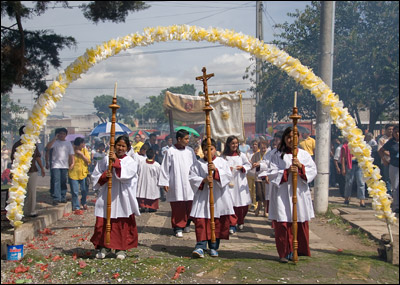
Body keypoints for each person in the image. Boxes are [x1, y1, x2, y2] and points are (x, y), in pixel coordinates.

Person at [266, 127, 317, 263]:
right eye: (288, 137)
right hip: (282, 193)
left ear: (299, 137)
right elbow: (271, 172)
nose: (291, 139)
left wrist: (301, 167)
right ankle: (284, 251)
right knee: (283, 222)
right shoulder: (277, 154)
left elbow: (313, 170)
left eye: (294, 136)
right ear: (284, 139)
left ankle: (299, 250)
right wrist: (286, 172)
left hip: (298, 193)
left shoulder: (304, 155)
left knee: (299, 220)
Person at [90, 135, 140, 260]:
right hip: (107, 193)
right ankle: (104, 246)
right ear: (114, 145)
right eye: (118, 145)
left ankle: (121, 248)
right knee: (104, 220)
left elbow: (126, 176)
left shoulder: (131, 161)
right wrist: (104, 176)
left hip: (122, 195)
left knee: (121, 222)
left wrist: (116, 163)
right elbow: (96, 174)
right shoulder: (105, 159)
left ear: (127, 148)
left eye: (123, 146)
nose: (120, 148)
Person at [189, 138, 234, 258]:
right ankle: (200, 246)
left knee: (216, 223)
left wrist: (216, 172)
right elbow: (192, 178)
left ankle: (214, 246)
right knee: (202, 222)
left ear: (215, 149)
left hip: (218, 197)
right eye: (205, 150)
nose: (208, 152)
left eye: (211, 149)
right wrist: (203, 180)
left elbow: (228, 176)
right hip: (203, 197)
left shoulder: (222, 162)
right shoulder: (198, 164)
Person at [158, 129, 197, 238]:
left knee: (190, 204)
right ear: (179, 139)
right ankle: (178, 227)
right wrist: (165, 182)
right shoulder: (171, 151)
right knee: (178, 205)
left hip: (189, 182)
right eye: (186, 139)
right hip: (176, 182)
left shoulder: (190, 151)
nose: (188, 141)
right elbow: (165, 167)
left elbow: (194, 166)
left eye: (188, 138)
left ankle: (187, 223)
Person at [11, 126, 46, 217]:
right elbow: (13, 160)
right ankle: (18, 212)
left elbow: (37, 157)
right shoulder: (17, 145)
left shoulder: (33, 144)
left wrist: (42, 168)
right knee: (20, 192)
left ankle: (31, 211)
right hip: (21, 172)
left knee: (31, 191)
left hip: (32, 170)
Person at [222, 135, 252, 234]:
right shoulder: (224, 156)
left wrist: (242, 167)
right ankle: (232, 224)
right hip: (229, 183)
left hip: (240, 181)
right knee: (231, 203)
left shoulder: (241, 155)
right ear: (228, 144)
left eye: (236, 143)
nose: (235, 145)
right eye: (232, 143)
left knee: (242, 203)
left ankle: (240, 220)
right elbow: (219, 166)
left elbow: (249, 165)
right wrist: (227, 169)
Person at [45, 128, 75, 205]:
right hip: (55, 165)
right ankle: (56, 198)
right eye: (60, 134)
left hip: (64, 165)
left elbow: (71, 154)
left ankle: (62, 196)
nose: (62, 135)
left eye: (63, 134)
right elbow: (48, 147)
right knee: (56, 181)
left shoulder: (68, 143)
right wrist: (55, 138)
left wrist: (72, 163)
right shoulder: (55, 142)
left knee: (63, 181)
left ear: (66, 135)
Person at [379, 125, 399, 213]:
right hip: (394, 165)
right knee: (395, 186)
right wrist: (384, 159)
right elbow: (381, 150)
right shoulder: (391, 142)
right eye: (395, 132)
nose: (397, 134)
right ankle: (396, 206)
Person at [341, 138, 366, 207]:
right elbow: (343, 157)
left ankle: (362, 200)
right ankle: (347, 198)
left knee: (361, 182)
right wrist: (343, 168)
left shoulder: (360, 145)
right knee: (349, 182)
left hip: (359, 165)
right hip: (349, 165)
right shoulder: (345, 146)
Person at [68, 137, 91, 211]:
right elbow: (69, 162)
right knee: (75, 191)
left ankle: (83, 202)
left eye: (83, 145)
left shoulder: (84, 150)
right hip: (73, 174)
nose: (83, 146)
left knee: (84, 190)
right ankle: (76, 206)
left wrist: (81, 154)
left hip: (83, 173)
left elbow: (88, 161)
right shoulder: (71, 150)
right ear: (77, 145)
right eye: (81, 145)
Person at [136, 148, 161, 213]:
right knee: (151, 193)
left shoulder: (141, 163)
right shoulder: (157, 165)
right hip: (152, 183)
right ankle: (151, 207)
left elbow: (137, 172)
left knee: (142, 192)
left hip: (142, 181)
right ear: (154, 155)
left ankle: (142, 206)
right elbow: (159, 175)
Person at [251, 140, 269, 217]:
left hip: (266, 177)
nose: (263, 150)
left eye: (264, 148)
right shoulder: (255, 155)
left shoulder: (269, 155)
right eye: (261, 148)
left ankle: (265, 209)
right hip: (258, 177)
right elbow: (251, 163)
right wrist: (254, 164)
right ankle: (258, 207)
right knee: (258, 194)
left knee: (265, 194)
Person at [378, 124, 394, 195]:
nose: (391, 131)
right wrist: (384, 159)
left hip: (395, 162)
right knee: (387, 178)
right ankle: (389, 193)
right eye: (389, 129)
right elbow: (380, 150)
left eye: (392, 129)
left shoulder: (395, 139)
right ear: (386, 130)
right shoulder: (382, 139)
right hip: (386, 161)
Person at [246, 140, 259, 212]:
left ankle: (255, 205)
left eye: (256, 144)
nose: (254, 146)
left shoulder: (259, 153)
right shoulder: (248, 152)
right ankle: (249, 204)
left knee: (256, 190)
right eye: (253, 144)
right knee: (249, 189)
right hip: (249, 173)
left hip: (256, 174)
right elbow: (247, 161)